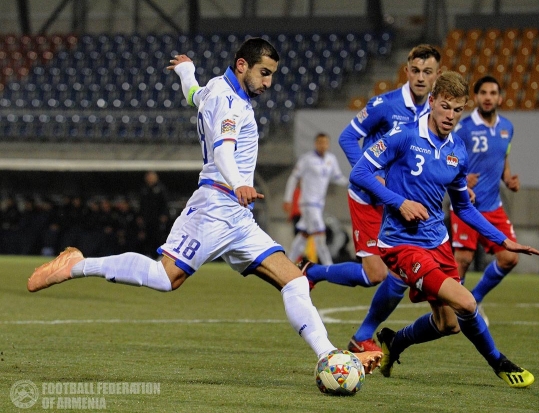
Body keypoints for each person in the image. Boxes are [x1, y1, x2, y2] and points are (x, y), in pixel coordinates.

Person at [26, 37, 381, 373]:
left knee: (294, 281)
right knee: (166, 278)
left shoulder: (215, 87)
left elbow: (193, 95)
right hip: (214, 206)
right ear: (243, 65)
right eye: (264, 73)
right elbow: (225, 149)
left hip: (237, 217)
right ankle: (78, 265)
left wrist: (185, 71)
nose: (269, 83)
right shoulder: (230, 102)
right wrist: (240, 182)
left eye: (272, 74)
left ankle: (328, 356)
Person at [349, 71, 539, 388]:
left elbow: (463, 207)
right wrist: (399, 202)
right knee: (467, 303)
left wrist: (504, 240)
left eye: (457, 109)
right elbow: (360, 172)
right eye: (445, 107)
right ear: (433, 102)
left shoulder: (457, 152)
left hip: (438, 242)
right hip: (402, 244)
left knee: (448, 324)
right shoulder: (404, 136)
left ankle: (394, 342)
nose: (450, 116)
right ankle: (500, 363)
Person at [299, 44, 442, 353]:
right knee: (375, 274)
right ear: (406, 71)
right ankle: (312, 272)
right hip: (369, 198)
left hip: (402, 203)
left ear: (436, 75)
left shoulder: (435, 112)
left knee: (400, 275)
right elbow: (347, 137)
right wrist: (369, 172)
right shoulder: (385, 104)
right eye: (415, 71)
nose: (420, 78)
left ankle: (362, 337)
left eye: (427, 72)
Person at [449, 75, 521, 325]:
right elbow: (449, 157)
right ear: (476, 98)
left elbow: (503, 158)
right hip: (465, 205)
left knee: (510, 257)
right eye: (483, 93)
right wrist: (461, 176)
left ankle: (474, 299)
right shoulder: (464, 128)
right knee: (464, 260)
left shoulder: (507, 128)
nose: (488, 97)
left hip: (493, 207)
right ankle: (453, 311)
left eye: (492, 93)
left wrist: (508, 179)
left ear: (499, 98)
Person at [283, 133, 348, 265]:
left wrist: (352, 183)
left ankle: (288, 263)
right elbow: (293, 177)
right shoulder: (306, 159)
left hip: (319, 204)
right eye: (319, 142)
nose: (322, 145)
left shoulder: (331, 159)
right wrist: (287, 198)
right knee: (320, 234)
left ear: (328, 144)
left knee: (303, 235)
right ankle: (329, 267)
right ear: (315, 143)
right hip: (308, 203)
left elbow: (337, 177)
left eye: (325, 143)